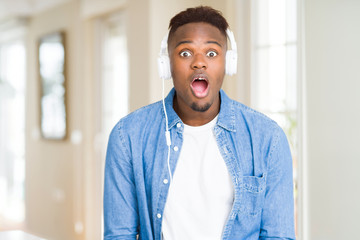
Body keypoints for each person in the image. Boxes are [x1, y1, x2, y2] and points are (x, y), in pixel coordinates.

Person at [104, 6, 295, 240]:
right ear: (166, 64)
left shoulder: (268, 138)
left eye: (212, 53)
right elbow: (119, 235)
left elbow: (278, 235)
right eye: (185, 53)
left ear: (229, 62)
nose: (199, 63)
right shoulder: (128, 137)